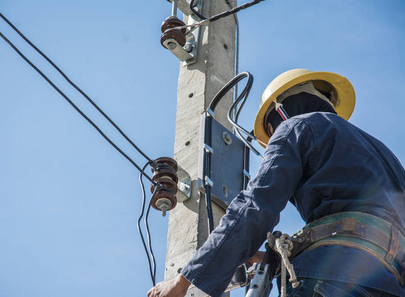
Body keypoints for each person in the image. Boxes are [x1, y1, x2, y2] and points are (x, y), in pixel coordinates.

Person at [147, 69, 405, 297]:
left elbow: (254, 207)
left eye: (270, 133)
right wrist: (279, 262)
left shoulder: (295, 127)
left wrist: (184, 280)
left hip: (335, 280)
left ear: (280, 111)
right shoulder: (384, 156)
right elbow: (362, 231)